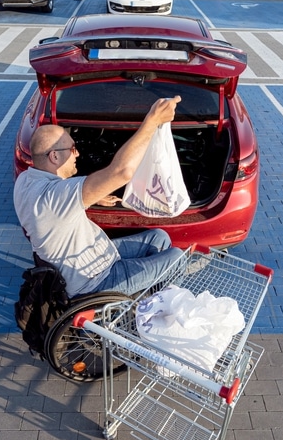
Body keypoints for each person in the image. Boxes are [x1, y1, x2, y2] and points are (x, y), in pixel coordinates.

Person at [13, 97, 184, 298]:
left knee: (159, 238)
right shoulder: (55, 197)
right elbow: (122, 172)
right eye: (72, 148)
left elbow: (54, 211)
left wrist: (92, 197)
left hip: (93, 254)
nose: (77, 154)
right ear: (54, 157)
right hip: (95, 279)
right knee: (177, 258)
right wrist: (152, 121)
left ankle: (150, 295)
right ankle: (158, 313)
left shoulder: (25, 180)